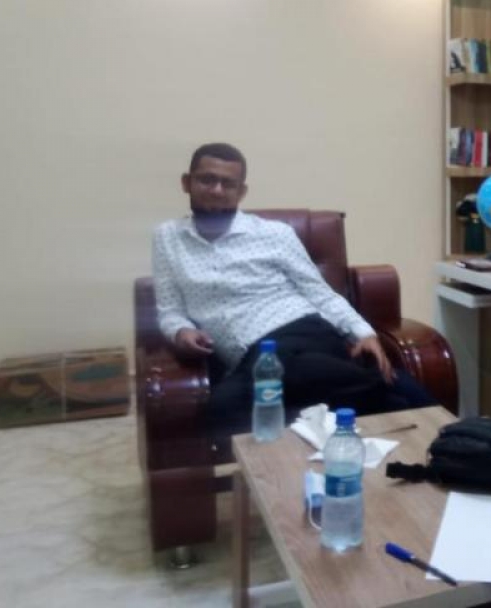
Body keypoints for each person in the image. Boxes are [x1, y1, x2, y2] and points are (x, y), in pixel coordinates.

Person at [152, 142, 435, 432]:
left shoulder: (274, 234)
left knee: (240, 399)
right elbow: (169, 309)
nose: (216, 190)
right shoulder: (167, 238)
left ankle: (385, 393)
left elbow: (318, 292)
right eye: (207, 180)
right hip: (249, 360)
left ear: (241, 191)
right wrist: (181, 331)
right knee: (226, 407)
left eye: (228, 183)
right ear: (186, 183)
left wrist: (363, 332)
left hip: (301, 332)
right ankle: (387, 390)